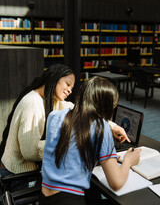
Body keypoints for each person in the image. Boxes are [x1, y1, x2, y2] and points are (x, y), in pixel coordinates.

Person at [40, 76, 141, 205]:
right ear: (106, 106)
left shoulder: (54, 116)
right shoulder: (100, 127)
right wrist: (128, 161)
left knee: (93, 194)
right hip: (70, 200)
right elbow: (116, 183)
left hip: (45, 198)